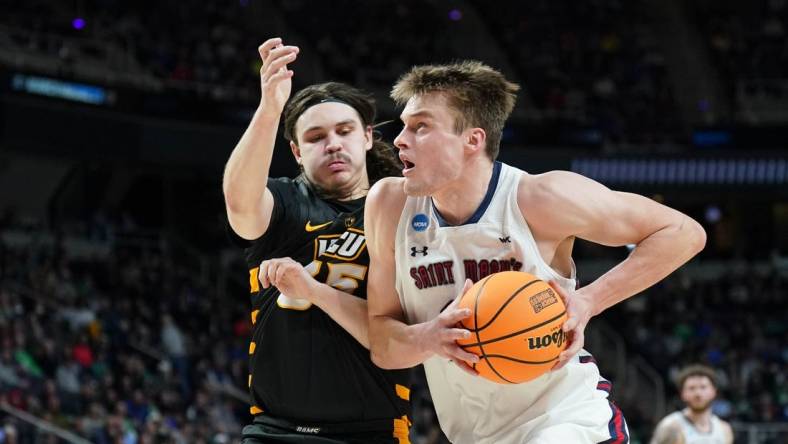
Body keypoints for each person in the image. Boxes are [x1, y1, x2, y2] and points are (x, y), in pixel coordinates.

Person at [364, 60, 707, 444]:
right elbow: (383, 347)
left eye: (421, 126)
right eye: (405, 125)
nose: (399, 140)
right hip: (475, 434)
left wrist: (589, 300)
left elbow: (682, 232)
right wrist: (432, 337)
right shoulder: (389, 206)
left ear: (472, 141)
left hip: (567, 420)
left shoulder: (540, 198)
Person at [223, 37, 410, 444]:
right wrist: (270, 108)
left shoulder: (401, 211)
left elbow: (392, 335)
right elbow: (239, 203)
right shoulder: (287, 201)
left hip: (372, 429)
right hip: (274, 429)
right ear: (295, 151)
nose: (333, 144)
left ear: (365, 136)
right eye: (315, 137)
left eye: (344, 131)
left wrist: (313, 290)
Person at [650, 365, 733, 444]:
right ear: (682, 394)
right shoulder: (671, 426)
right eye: (691, 388)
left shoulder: (724, 429)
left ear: (714, 391)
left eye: (703, 387)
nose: (698, 393)